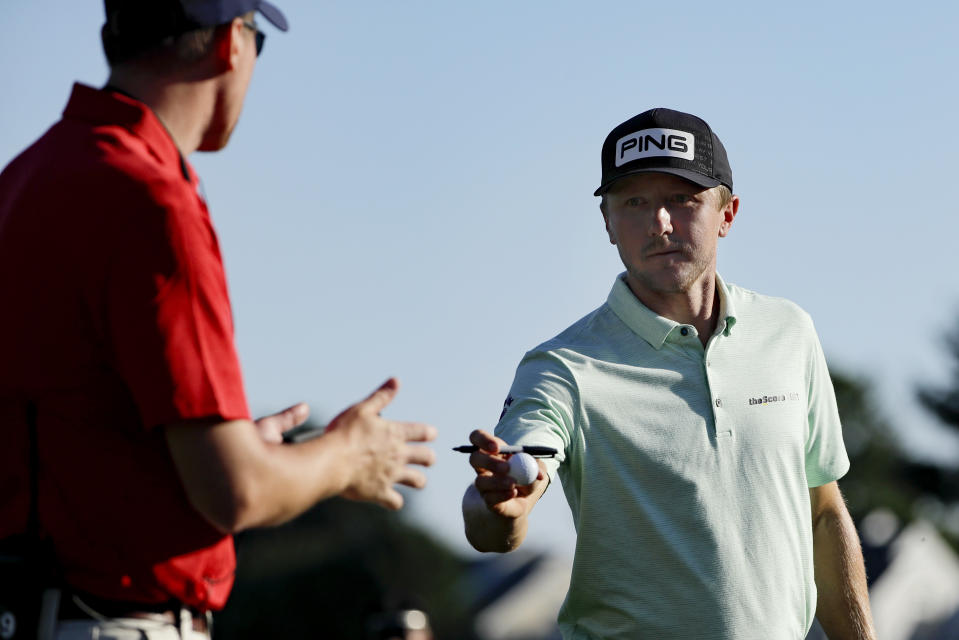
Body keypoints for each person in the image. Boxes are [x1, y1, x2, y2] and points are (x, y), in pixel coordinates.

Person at [0, 1, 436, 638]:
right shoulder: (152, 201)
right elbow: (236, 492)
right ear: (232, 42)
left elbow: (66, 435)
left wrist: (226, 447)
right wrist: (347, 456)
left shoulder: (24, 177)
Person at [462, 108, 876, 639]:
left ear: (728, 213)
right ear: (608, 222)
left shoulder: (789, 332)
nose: (660, 223)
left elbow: (822, 511)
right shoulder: (561, 367)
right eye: (635, 203)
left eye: (682, 200)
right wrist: (501, 507)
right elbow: (496, 510)